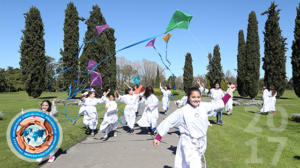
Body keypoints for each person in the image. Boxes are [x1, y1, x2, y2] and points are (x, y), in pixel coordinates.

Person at [153, 85, 235, 168]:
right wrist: (159, 136)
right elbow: (169, 121)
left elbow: (218, 104)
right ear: (188, 98)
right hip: (188, 144)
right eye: (193, 97)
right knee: (195, 164)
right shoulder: (182, 111)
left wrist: (230, 92)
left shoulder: (203, 106)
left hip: (201, 143)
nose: (196, 99)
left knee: (187, 164)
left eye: (198, 97)